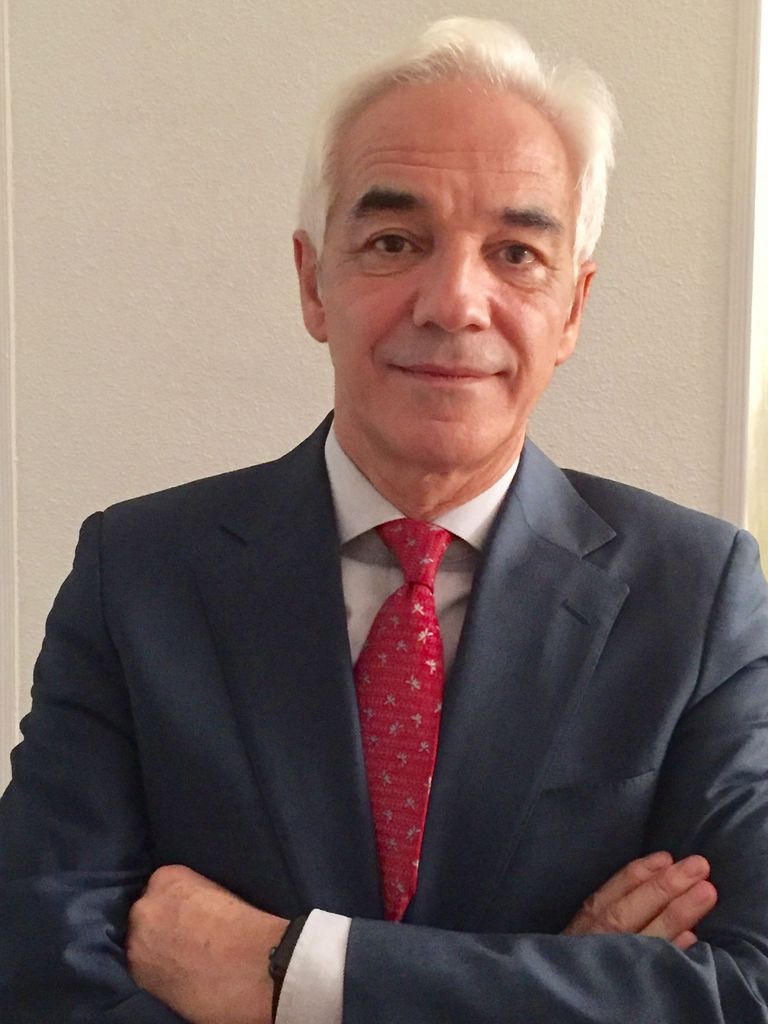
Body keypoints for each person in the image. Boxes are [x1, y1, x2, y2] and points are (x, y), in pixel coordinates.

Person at [1, 15, 768, 1024]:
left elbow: (748, 988)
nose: (454, 302)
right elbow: (38, 972)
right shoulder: (137, 575)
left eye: (516, 252)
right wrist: (556, 979)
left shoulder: (697, 593)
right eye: (395, 242)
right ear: (312, 281)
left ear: (573, 308)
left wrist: (294, 972)